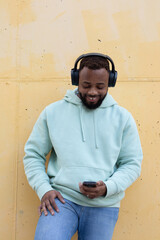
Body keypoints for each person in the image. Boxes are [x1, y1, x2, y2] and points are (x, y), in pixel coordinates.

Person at [23, 53, 143, 240]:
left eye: (100, 86)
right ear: (76, 80)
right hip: (61, 200)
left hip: (104, 205)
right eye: (86, 85)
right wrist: (43, 188)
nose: (93, 92)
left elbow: (132, 163)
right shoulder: (53, 112)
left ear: (110, 83)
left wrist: (108, 187)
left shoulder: (123, 118)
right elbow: (33, 155)